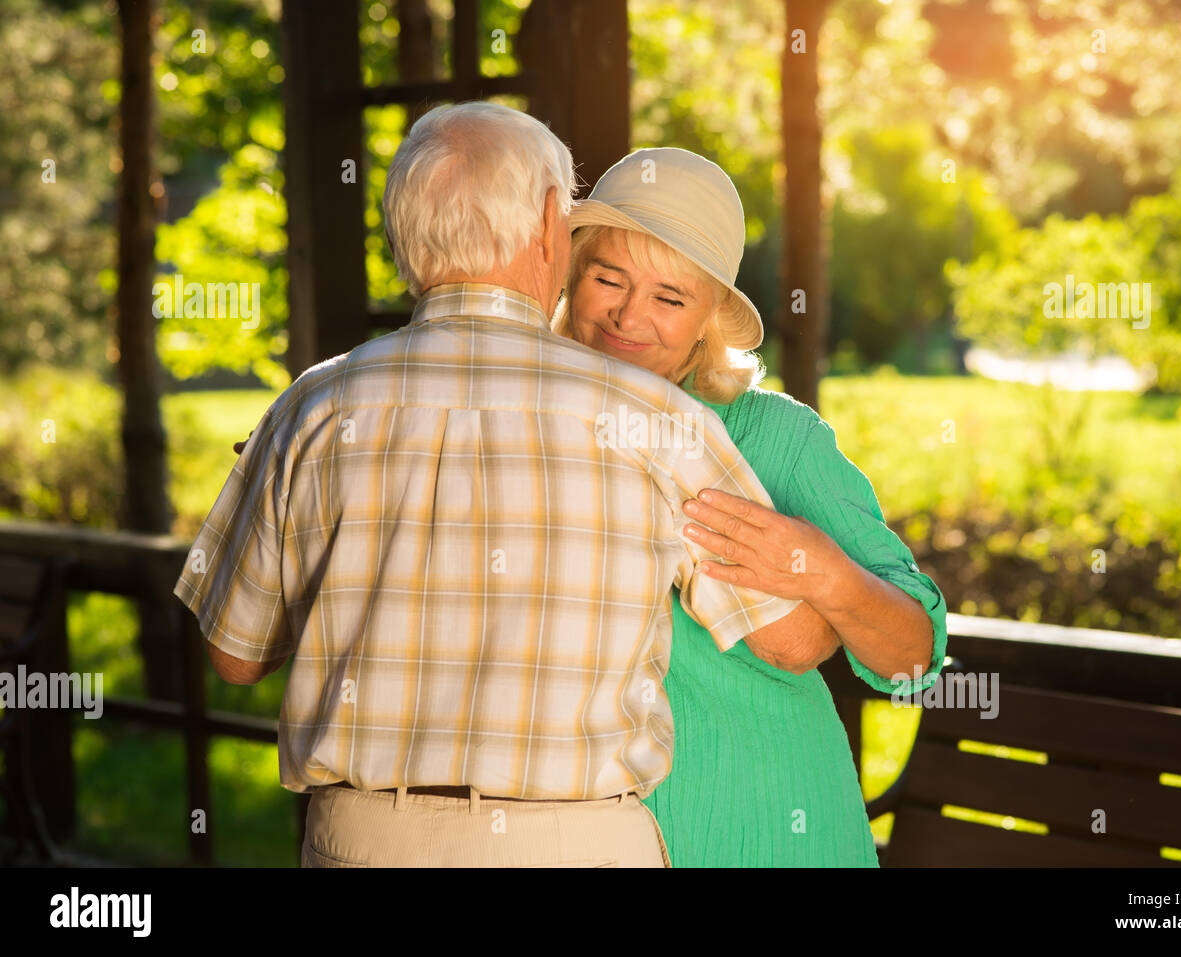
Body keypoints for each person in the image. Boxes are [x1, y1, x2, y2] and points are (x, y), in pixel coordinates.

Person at [173, 104, 816, 867]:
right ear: (551, 222)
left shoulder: (311, 406)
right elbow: (792, 638)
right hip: (576, 846)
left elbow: (237, 657)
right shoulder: (661, 420)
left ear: (404, 233)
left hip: (364, 840)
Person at [553, 147, 949, 866]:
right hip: (591, 838)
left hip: (772, 826)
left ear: (709, 320)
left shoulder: (776, 436)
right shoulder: (527, 418)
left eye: (670, 298)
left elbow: (914, 658)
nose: (628, 315)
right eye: (609, 278)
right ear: (573, 275)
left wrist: (824, 572)